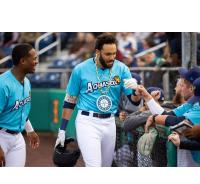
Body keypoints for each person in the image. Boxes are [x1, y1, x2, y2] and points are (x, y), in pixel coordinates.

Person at [55, 33, 141, 167]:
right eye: (108, 54)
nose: (112, 58)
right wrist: (62, 129)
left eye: (114, 53)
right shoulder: (80, 69)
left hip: (109, 122)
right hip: (87, 122)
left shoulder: (122, 69)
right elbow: (69, 101)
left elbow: (134, 101)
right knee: (94, 166)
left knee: (105, 166)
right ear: (97, 52)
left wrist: (136, 90)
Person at [0, 43, 40, 167]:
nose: (36, 62)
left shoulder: (27, 82)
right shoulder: (3, 84)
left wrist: (30, 130)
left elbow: (22, 110)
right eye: (34, 59)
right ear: (22, 61)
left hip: (18, 138)